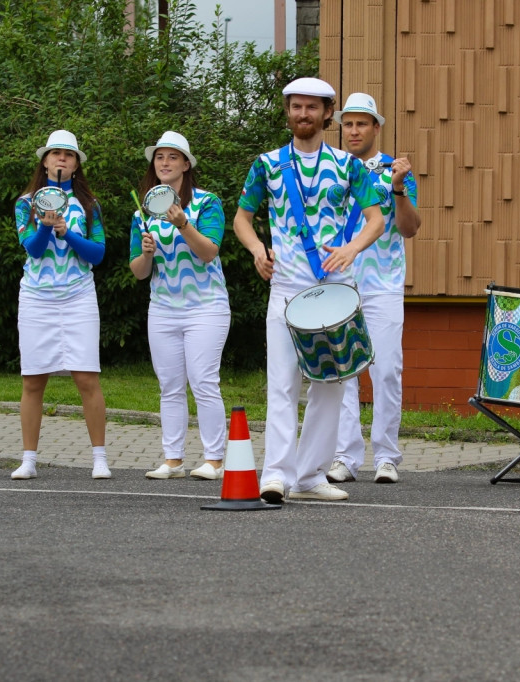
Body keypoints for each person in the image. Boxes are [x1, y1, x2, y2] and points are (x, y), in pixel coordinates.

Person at [233, 77, 385, 503]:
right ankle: (276, 475)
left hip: (335, 288)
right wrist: (256, 248)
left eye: (312, 108)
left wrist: (352, 248)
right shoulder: (266, 164)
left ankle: (311, 476)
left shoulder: (349, 165)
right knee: (282, 383)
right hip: (286, 287)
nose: (303, 115)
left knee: (331, 384)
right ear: (287, 112)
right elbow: (242, 219)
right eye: (296, 107)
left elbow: (375, 218)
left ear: (328, 113)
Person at [326, 93, 421, 485]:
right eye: (348, 124)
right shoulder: (330, 169)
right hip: (339, 284)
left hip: (383, 285)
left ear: (376, 128)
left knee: (385, 371)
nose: (353, 131)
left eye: (361, 123)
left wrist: (398, 189)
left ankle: (385, 456)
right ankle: (345, 457)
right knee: (344, 374)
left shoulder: (394, 171)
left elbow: (411, 228)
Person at [129, 131, 230, 481]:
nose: (165, 163)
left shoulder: (207, 202)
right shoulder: (144, 209)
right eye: (160, 157)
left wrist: (183, 224)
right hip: (163, 308)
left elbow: (209, 252)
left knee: (203, 381)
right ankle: (173, 460)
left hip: (206, 306)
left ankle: (214, 459)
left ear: (186, 165)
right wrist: (145, 254)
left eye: (173, 157)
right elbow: (140, 274)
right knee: (169, 385)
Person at [10, 130, 109, 481]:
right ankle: (29, 460)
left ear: (77, 163)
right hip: (37, 297)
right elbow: (33, 249)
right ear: (45, 161)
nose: (62, 159)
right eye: (56, 153)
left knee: (86, 377)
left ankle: (99, 458)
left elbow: (97, 253)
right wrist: (45, 228)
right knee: (33, 379)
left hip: (79, 295)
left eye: (69, 154)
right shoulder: (26, 202)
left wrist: (69, 234)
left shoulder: (89, 204)